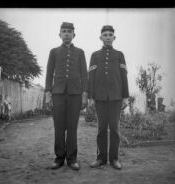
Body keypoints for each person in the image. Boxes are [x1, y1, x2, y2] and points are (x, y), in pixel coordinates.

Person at [45, 22, 88, 170]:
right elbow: (49, 73)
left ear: (73, 35)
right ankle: (59, 158)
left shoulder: (80, 52)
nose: (67, 33)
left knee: (72, 127)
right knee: (59, 127)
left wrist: (84, 94)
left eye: (69, 31)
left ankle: (72, 159)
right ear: (60, 34)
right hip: (58, 93)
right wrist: (48, 93)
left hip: (75, 94)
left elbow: (84, 74)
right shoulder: (54, 52)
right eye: (64, 31)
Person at [88, 25, 129, 169]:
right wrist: (91, 97)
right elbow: (91, 77)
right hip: (99, 98)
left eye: (110, 35)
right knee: (101, 129)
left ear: (114, 38)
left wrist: (125, 96)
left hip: (116, 98)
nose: (108, 37)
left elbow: (124, 76)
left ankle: (114, 159)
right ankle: (101, 158)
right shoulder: (95, 55)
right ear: (101, 38)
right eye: (105, 35)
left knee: (115, 129)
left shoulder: (119, 54)